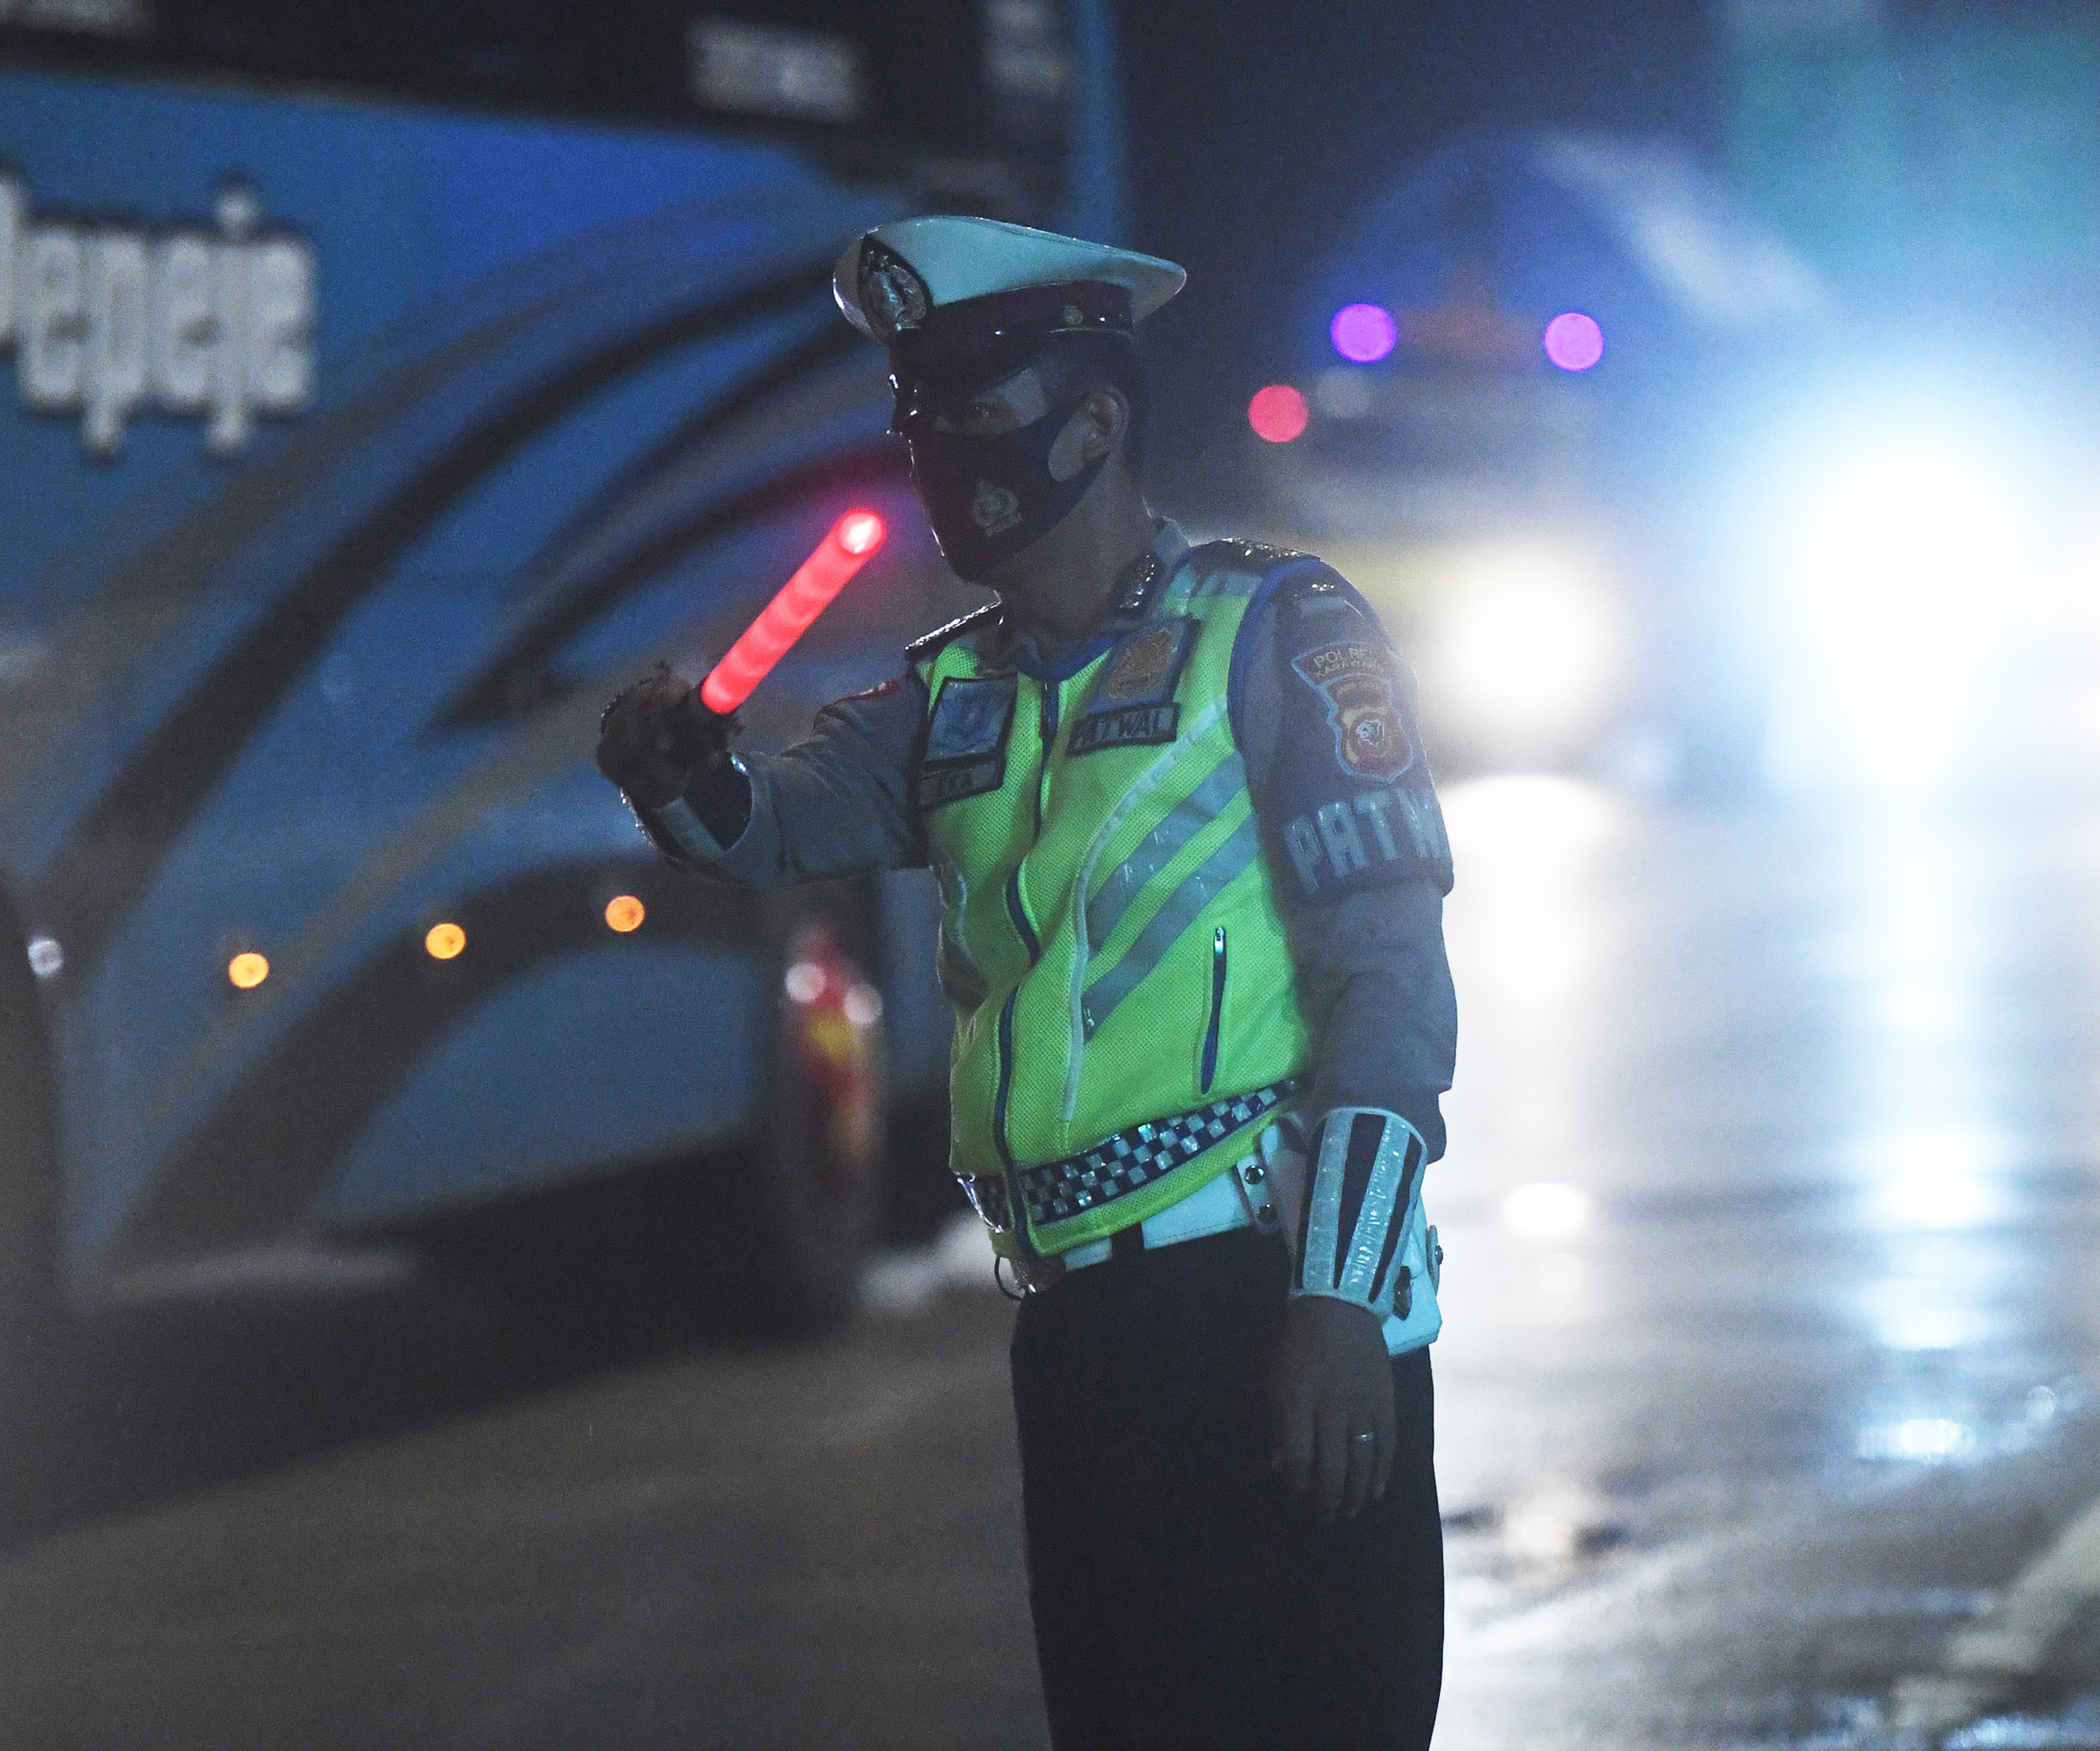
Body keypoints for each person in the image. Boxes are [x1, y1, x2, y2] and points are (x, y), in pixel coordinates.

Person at [593, 215, 1460, 1751]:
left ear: (1095, 421)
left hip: (1265, 1299)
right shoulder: (949, 689)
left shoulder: (1276, 632)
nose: (936, 455)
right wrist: (681, 778)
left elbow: (1390, 991)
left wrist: (1340, 1303)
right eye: (916, 419)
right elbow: (774, 825)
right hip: (1075, 1339)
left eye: (973, 409)